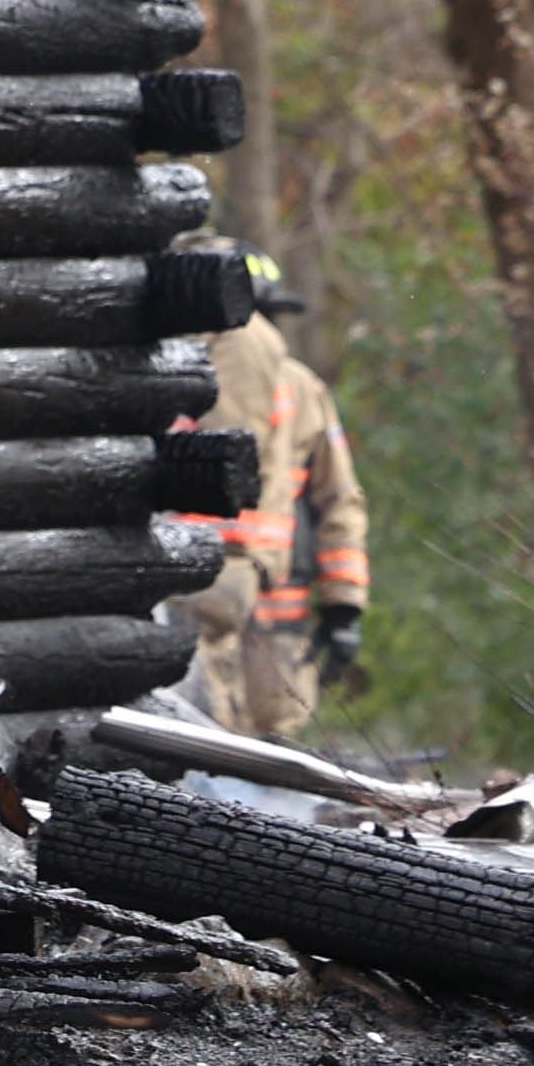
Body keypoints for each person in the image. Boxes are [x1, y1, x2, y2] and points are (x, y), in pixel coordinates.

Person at [164, 251, 371, 738]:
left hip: (243, 596)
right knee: (224, 739)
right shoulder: (191, 379)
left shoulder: (296, 389)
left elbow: (337, 499)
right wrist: (343, 606)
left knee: (235, 741)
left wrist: (343, 606)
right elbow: (341, 501)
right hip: (235, 592)